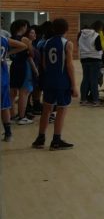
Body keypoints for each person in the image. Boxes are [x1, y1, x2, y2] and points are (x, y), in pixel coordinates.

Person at [32, 19, 77, 150]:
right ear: (67, 29)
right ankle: (56, 140)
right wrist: (74, 85)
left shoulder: (46, 43)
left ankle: (40, 139)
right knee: (61, 110)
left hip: (49, 80)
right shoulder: (67, 43)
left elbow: (44, 64)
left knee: (46, 110)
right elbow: (69, 65)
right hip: (62, 81)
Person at [2, 35, 28, 142]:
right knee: (4, 107)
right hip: (3, 78)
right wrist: (7, 53)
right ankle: (8, 134)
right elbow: (23, 46)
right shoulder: (3, 38)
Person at [78, 21, 104, 106]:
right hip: (95, 59)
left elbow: (79, 45)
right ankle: (95, 100)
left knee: (85, 79)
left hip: (84, 59)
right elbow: (99, 48)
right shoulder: (96, 35)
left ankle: (83, 100)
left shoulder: (81, 35)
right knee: (94, 80)